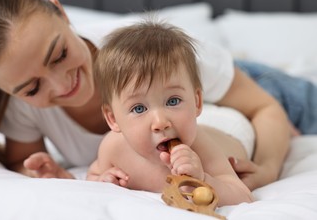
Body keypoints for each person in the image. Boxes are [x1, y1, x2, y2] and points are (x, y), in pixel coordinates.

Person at [0, 0, 290, 190]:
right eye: (32, 88)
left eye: (58, 54)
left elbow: (266, 107)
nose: (62, 86)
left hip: (265, 85)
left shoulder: (159, 56)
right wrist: (57, 177)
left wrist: (269, 168)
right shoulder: (19, 106)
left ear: (61, 13)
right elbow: (25, 164)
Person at [86, 20, 254, 206]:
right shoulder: (113, 148)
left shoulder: (201, 148)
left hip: (230, 128)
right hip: (189, 119)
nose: (160, 122)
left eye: (172, 101)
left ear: (197, 101)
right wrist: (102, 179)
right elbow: (94, 172)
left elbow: (242, 195)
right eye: (139, 108)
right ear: (113, 118)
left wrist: (202, 179)